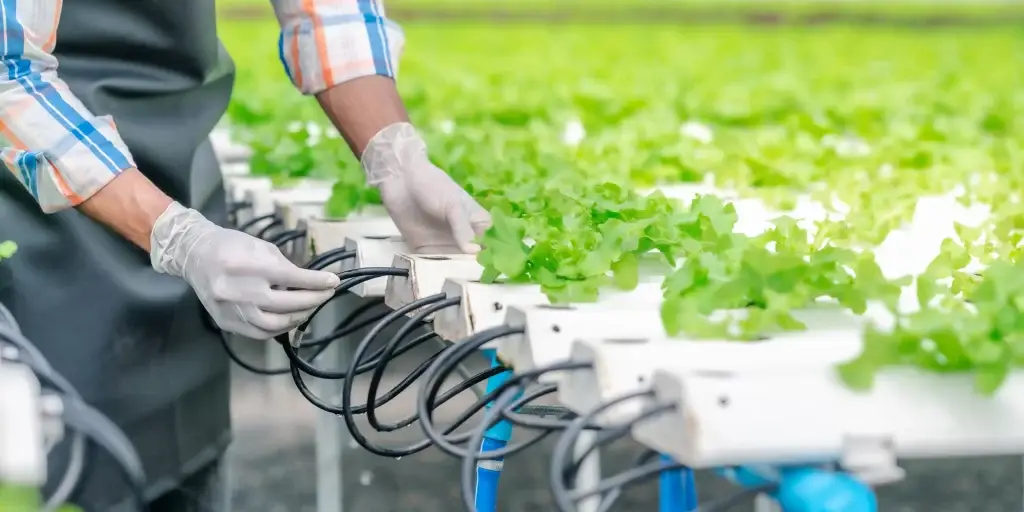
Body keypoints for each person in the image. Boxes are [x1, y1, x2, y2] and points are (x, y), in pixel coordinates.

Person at [0, 0, 490, 510]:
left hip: (177, 163)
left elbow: (331, 12)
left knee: (182, 451)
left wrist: (394, 156)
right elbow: (8, 73)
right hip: (39, 213)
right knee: (71, 462)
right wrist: (176, 236)